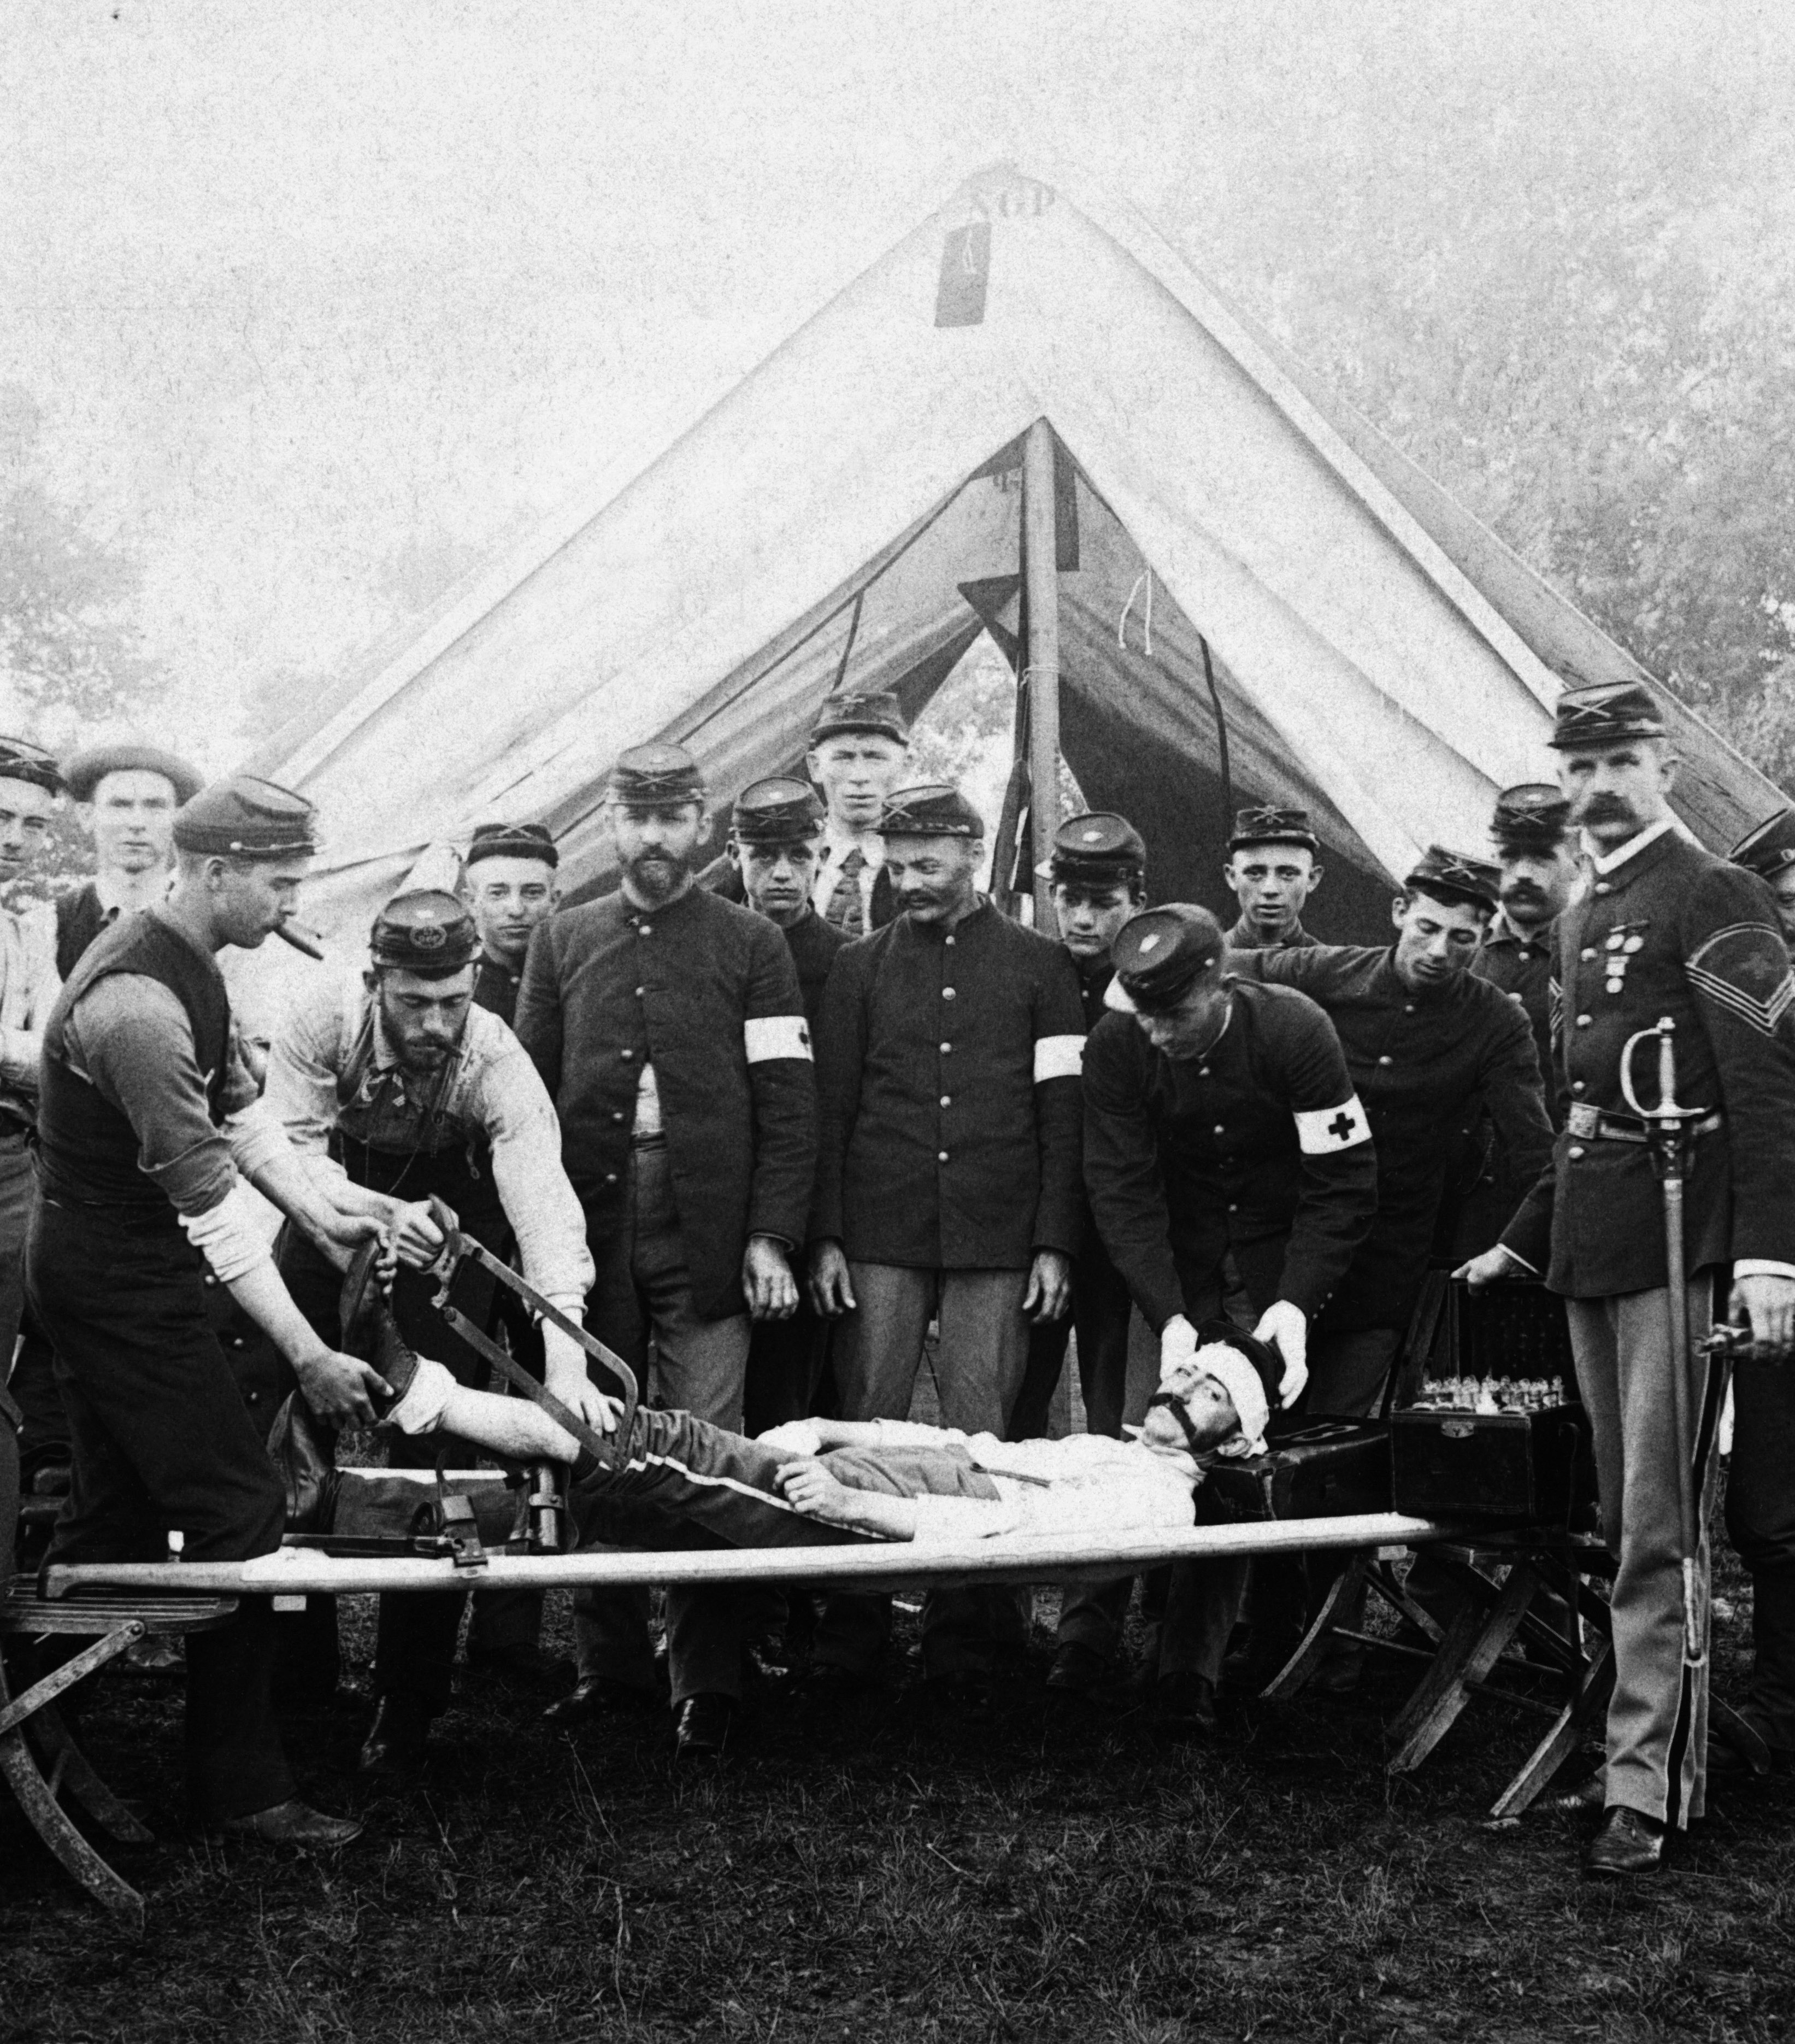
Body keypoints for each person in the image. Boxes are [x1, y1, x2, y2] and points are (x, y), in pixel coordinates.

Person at [1460, 682, 1795, 1876]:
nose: (1596, 788)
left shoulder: (1718, 893)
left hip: (1678, 1233)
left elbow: (1765, 1095)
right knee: (1612, 1512)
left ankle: (1644, 1782)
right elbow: (1574, 1106)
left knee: (1658, 1520)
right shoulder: (1578, 906)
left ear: (1665, 765)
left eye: (1618, 763)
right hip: (1596, 1237)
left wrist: (1767, 1258)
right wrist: (1525, 1236)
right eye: (1579, 766)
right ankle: (1626, 1745)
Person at [29, 774, 386, 1845]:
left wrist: (326, 1217)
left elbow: (245, 1125)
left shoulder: (195, 960)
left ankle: (38, 1741)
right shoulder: (136, 1007)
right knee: (238, 1506)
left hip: (122, 1268)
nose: (292, 902)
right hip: (116, 1285)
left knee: (118, 1519)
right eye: (280, 882)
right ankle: (243, 1789)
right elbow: (215, 1213)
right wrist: (311, 1351)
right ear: (219, 870)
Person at [515, 741, 817, 1757]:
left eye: (673, 819)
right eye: (636, 819)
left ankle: (710, 1678)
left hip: (712, 1232)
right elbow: (521, 1109)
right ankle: (609, 1668)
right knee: (595, 1440)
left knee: (706, 1446)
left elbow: (787, 1101)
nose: (653, 839)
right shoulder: (562, 940)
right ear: (611, 823)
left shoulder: (751, 943)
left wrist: (771, 1236)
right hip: (590, 1233)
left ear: (702, 824)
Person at [265, 888, 593, 1770]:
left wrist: (568, 1372)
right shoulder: (317, 1017)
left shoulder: (495, 1056)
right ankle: (298, 1683)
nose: (438, 1023)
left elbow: (546, 1213)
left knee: (433, 1458)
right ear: (376, 981)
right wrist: (372, 1214)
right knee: (293, 1449)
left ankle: (408, 1700)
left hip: (445, 1239)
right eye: (414, 1003)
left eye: (455, 1000)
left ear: (475, 981)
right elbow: (283, 1157)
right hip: (320, 1219)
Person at [807, 782, 1086, 1694]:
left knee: (981, 1437)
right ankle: (853, 1623)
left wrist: (1054, 1242)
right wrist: (830, 1238)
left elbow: (1061, 1112)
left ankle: (971, 1628)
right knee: (867, 1428)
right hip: (880, 1229)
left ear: (973, 854)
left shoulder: (1043, 966)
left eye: (927, 864)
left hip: (998, 1233)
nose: (909, 882)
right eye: (897, 865)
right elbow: (834, 1106)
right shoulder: (859, 966)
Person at [1073, 903, 1379, 1728]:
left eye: (1175, 1016)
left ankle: (1197, 1673)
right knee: (1153, 1450)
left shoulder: (1294, 1032)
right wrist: (1168, 1310)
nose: (1159, 1035)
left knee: (1246, 1468)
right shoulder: (1116, 1044)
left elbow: (1342, 1181)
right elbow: (1121, 1187)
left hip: (1278, 1266)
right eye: (1146, 1016)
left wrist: (1293, 1305)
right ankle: (1102, 1642)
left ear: (1221, 985)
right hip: (1178, 1264)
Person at [328, 1305, 1290, 1560]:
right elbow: (974, 1449)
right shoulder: (1111, 1451)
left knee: (657, 1449)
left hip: (895, 1509)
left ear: (1233, 1440)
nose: (1186, 1392)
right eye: (1194, 1375)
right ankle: (410, 1418)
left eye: (1211, 1398)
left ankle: (424, 1398)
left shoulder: (1157, 1501)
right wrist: (840, 1426)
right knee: (644, 1466)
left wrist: (855, 1505)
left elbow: (1002, 1536)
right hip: (909, 1470)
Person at [1234, 848, 1555, 1417]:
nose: (1438, 951)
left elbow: (1534, 1151)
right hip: (1284, 1254)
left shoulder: (1499, 1024)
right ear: (1400, 911)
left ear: (1485, 938)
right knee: (1247, 1428)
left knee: (1335, 1440)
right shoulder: (1328, 970)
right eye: (1428, 927)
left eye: (1462, 938)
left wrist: (1517, 1246)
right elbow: (1226, 968)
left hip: (1385, 1269)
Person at [1008, 813, 1147, 1445]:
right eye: (1070, 900)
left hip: (1125, 1229)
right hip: (1037, 1220)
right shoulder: (1029, 975)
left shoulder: (1155, 987)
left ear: (1137, 904)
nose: (1084, 919)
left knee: (1114, 1406)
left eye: (1104, 903)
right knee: (1020, 1400)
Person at [1708, 807, 1795, 1783]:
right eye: (1785, 900)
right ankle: (1781, 1709)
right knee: (1769, 1512)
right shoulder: (1743, 1002)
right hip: (1776, 1278)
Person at [726, 776, 850, 1437]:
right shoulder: (706, 943)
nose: (781, 873)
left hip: (799, 1214)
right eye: (762, 855)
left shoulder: (844, 963)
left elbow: (832, 1113)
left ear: (821, 857)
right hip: (712, 1204)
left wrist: (824, 1234)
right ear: (732, 855)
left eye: (798, 857)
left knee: (790, 1407)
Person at [0, 741, 69, 1483]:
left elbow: (56, 1043)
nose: (14, 841)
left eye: (32, 825)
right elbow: (48, 1058)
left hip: (11, 1160)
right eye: (0, 818)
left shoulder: (25, 929)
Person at [52, 742, 204, 977]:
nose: (137, 823)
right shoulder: (49, 928)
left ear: (179, 820)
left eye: (155, 807)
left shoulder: (206, 923)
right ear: (87, 816)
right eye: (120, 806)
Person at [463, 821, 560, 1026]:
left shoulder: (573, 975)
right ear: (471, 903)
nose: (516, 910)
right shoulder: (457, 984)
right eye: (498, 894)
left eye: (532, 893)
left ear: (554, 901)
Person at [1222, 807, 1324, 950]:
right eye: (1254, 873)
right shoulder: (1201, 965)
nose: (1270, 889)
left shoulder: (1329, 967)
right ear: (1232, 877)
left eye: (1288, 874)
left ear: (1312, 879)